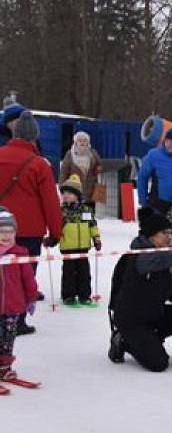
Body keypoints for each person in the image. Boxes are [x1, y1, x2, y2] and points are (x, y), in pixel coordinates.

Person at [108, 207, 172, 372]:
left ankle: (149, 340)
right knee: (159, 363)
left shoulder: (165, 253)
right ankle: (123, 340)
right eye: (165, 233)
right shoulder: (139, 254)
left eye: (171, 234)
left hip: (153, 313)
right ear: (152, 235)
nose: (169, 238)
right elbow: (158, 261)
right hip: (132, 319)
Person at [0, 110, 63, 335]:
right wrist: (56, 232)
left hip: (0, 227)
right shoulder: (40, 165)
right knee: (24, 275)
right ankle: (17, 321)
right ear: (34, 137)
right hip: (28, 231)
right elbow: (50, 203)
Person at [0, 207, 39, 387]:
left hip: (13, 306)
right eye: (1, 232)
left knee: (8, 337)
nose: (6, 236)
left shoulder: (20, 254)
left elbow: (28, 279)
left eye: (10, 232)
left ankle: (5, 368)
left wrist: (31, 298)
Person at [58, 174, 101, 308]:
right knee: (69, 273)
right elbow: (56, 227)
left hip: (83, 247)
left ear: (77, 195)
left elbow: (92, 225)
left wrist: (96, 238)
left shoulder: (86, 210)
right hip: (68, 247)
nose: (66, 196)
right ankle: (68, 296)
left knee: (84, 272)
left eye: (69, 193)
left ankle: (84, 295)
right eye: (64, 193)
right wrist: (52, 238)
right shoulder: (61, 211)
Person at [59, 131, 103, 202]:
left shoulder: (93, 153)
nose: (82, 142)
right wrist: (62, 189)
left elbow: (100, 165)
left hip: (91, 192)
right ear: (75, 142)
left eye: (85, 140)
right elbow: (63, 173)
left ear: (88, 142)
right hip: (74, 193)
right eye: (79, 140)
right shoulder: (69, 154)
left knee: (90, 212)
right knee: (75, 212)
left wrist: (98, 168)